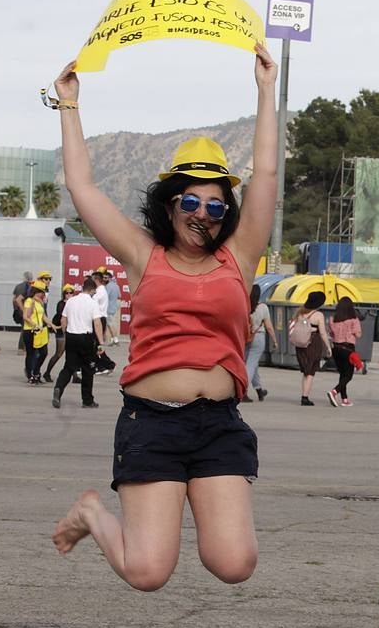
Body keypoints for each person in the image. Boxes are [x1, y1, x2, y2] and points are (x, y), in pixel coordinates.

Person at [50, 43, 278, 592]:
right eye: (192, 203)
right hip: (151, 422)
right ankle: (91, 514)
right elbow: (83, 189)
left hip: (218, 423)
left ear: (229, 213)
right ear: (171, 203)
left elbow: (266, 171)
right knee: (147, 572)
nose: (204, 214)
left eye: (217, 206)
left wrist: (266, 89)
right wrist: (69, 106)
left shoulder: (239, 257)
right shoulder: (141, 254)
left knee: (234, 563)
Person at [52, 276, 105, 409]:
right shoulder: (93, 303)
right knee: (88, 370)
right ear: (92, 290)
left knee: (68, 367)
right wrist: (101, 342)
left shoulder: (71, 301)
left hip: (71, 336)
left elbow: (63, 320)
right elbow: (97, 323)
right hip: (85, 338)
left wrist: (66, 333)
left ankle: (58, 388)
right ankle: (87, 400)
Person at [290, 290, 330, 406]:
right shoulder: (318, 315)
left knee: (305, 372)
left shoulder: (299, 312)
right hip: (313, 344)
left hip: (300, 345)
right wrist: (328, 347)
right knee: (311, 372)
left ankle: (304, 394)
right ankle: (305, 397)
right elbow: (322, 333)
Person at [326, 295, 361, 407]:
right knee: (348, 375)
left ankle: (344, 399)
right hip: (348, 349)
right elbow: (358, 335)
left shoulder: (332, 319)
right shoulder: (353, 320)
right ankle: (334, 391)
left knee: (342, 373)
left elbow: (331, 334)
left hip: (336, 349)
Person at [242, 283, 274, 402]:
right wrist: (274, 340)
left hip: (246, 337)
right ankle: (243, 392)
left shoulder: (244, 306)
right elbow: (269, 326)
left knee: (252, 364)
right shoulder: (262, 307)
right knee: (250, 365)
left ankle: (259, 390)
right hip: (258, 336)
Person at [42, 283, 75, 382]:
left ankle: (75, 376)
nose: (69, 294)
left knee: (72, 353)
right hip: (61, 330)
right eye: (66, 293)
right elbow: (62, 316)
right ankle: (47, 372)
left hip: (71, 331)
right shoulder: (61, 304)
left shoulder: (73, 303)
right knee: (59, 353)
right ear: (64, 294)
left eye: (71, 292)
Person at [22, 281, 50, 385]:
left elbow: (43, 316)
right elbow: (26, 316)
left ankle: (36, 371)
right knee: (31, 353)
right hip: (30, 330)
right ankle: (31, 375)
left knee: (43, 352)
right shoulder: (29, 301)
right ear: (36, 292)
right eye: (41, 292)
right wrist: (34, 324)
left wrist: (52, 325)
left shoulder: (40, 302)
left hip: (40, 330)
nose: (43, 295)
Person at [12, 271, 34, 354]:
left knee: (25, 328)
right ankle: (21, 347)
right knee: (25, 329)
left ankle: (24, 346)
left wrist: (16, 309)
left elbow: (14, 300)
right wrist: (24, 309)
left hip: (18, 311)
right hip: (26, 310)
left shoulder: (17, 286)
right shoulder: (30, 287)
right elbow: (18, 300)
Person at [103, 269, 122, 345]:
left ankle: (116, 340)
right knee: (111, 324)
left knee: (110, 324)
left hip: (108, 308)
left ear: (110, 278)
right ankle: (112, 340)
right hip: (114, 307)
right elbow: (119, 296)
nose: (104, 279)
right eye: (104, 277)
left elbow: (105, 297)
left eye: (106, 278)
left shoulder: (107, 286)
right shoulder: (116, 286)